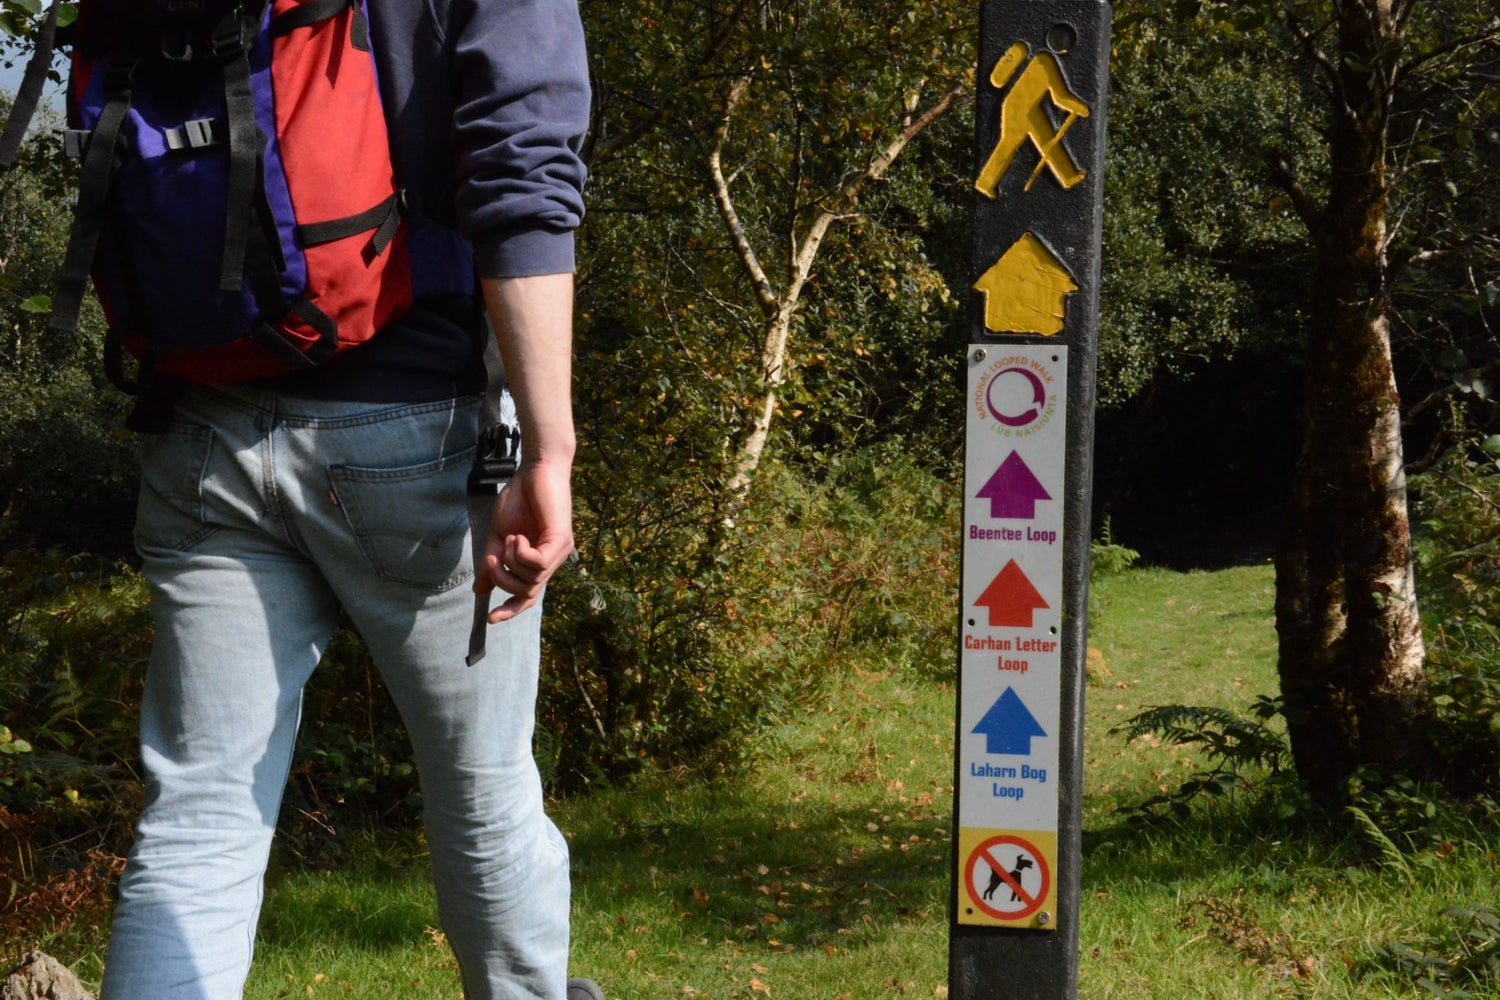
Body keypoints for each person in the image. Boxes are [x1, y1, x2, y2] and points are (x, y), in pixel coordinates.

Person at [93, 0, 598, 997]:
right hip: (414, 425)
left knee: (199, 818)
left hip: (203, 418)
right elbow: (520, 169)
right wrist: (551, 447)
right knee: (483, 790)